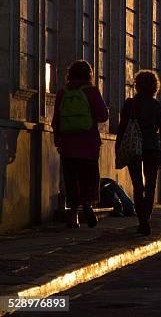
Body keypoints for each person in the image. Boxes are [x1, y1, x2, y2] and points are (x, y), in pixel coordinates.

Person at [52, 60, 109, 228]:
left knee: (71, 179)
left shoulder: (63, 92)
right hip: (89, 144)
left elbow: (56, 119)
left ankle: (73, 216)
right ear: (89, 75)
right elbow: (103, 116)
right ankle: (88, 204)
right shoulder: (91, 91)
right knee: (89, 177)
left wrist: (58, 140)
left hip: (68, 145)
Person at [116, 70, 161, 235]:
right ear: (155, 87)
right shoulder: (158, 106)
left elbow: (122, 128)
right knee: (151, 185)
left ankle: (142, 220)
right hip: (152, 148)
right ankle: (146, 217)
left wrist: (118, 147)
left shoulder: (129, 104)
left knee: (137, 185)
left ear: (137, 85)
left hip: (133, 147)